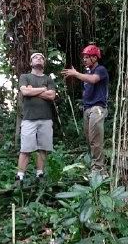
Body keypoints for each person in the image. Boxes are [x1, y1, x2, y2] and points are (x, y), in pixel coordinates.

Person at [63, 44, 109, 173]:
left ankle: (98, 170)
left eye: (87, 57)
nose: (84, 59)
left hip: (97, 108)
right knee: (90, 140)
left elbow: (93, 80)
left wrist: (76, 73)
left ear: (95, 58)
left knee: (95, 140)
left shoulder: (100, 69)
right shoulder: (87, 72)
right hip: (87, 108)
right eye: (84, 57)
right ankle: (97, 167)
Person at [16, 52, 57, 185]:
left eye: (41, 58)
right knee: (25, 149)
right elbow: (25, 91)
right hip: (29, 119)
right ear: (31, 63)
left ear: (44, 63)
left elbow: (52, 96)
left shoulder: (48, 79)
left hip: (46, 119)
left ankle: (40, 175)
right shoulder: (25, 77)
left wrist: (33, 90)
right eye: (35, 57)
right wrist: (43, 89)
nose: (38, 59)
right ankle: (20, 177)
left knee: (43, 148)